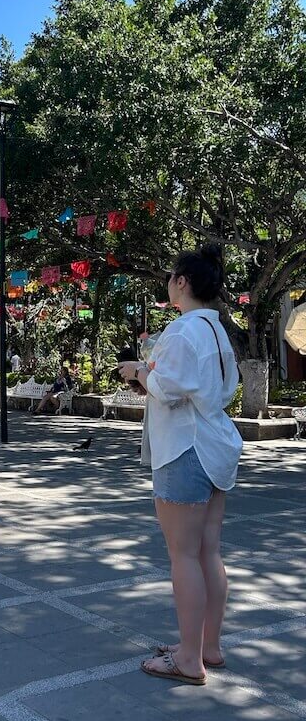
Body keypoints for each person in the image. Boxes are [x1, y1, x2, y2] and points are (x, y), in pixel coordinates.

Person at [118, 244, 242, 686]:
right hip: (215, 446)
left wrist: (136, 371)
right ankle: (207, 645)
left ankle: (190, 658)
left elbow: (167, 389)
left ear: (183, 282)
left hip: (184, 450)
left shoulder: (183, 330)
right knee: (208, 550)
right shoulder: (216, 330)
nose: (168, 282)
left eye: (172, 276)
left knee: (182, 555)